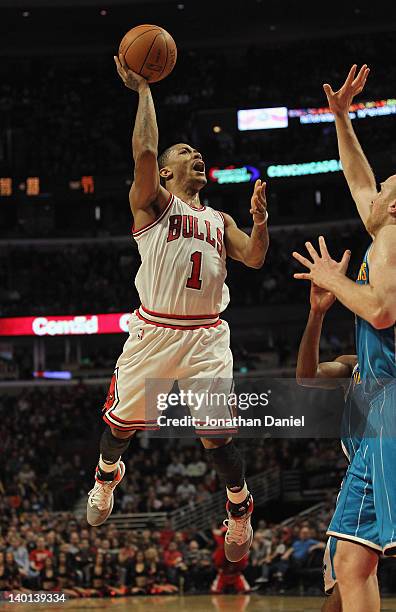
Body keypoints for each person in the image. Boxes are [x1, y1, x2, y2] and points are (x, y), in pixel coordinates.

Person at [86, 53, 270, 563]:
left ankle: (239, 509)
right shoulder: (154, 203)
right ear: (166, 172)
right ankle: (106, 477)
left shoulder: (219, 217)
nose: (199, 156)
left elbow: (254, 258)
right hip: (155, 330)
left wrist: (258, 222)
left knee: (217, 437)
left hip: (208, 336)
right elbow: (144, 152)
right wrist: (144, 92)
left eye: (198, 152)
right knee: (120, 426)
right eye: (187, 151)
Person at [293, 64, 396, 612]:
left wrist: (332, 279)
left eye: (383, 190)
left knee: (354, 563)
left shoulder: (393, 240)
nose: (371, 192)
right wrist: (341, 119)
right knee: (351, 563)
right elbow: (357, 178)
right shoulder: (383, 234)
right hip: (380, 414)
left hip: (391, 413)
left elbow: (380, 312)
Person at [296, 276, 364, 611]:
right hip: (361, 479)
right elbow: (306, 377)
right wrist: (316, 315)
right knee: (343, 586)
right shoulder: (354, 363)